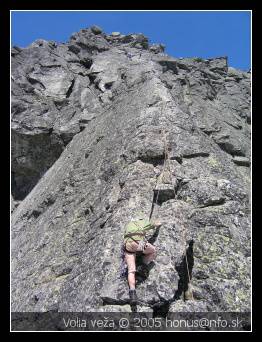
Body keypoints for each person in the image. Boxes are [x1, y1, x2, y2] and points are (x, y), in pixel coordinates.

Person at [123, 216, 162, 304]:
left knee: (131, 271)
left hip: (127, 245)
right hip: (137, 242)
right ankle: (142, 266)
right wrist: (158, 224)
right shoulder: (141, 221)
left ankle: (132, 293)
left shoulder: (129, 224)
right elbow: (153, 224)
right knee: (153, 251)